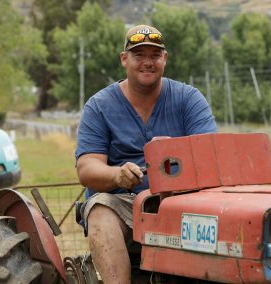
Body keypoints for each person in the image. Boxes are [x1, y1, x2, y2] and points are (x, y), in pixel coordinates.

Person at [75, 24, 217, 284]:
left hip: (183, 201)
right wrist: (117, 175)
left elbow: (211, 154)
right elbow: (87, 169)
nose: (147, 62)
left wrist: (178, 155)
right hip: (125, 204)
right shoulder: (99, 106)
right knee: (99, 209)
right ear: (124, 59)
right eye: (139, 55)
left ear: (165, 58)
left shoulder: (189, 99)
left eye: (155, 55)